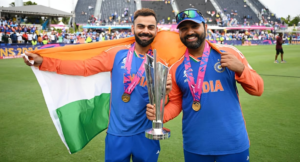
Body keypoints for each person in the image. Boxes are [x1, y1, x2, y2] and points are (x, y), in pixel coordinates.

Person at [23, 8, 172, 162]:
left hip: (147, 135)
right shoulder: (117, 54)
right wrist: (45, 62)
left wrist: (165, 94)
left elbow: (165, 103)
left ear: (156, 31)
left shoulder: (160, 63)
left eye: (150, 27)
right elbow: (84, 67)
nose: (145, 31)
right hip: (117, 135)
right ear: (133, 29)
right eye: (141, 26)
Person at [146, 8, 264, 162]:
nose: (190, 32)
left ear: (205, 27)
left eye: (195, 26)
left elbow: (258, 89)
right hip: (196, 146)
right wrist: (160, 114)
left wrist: (241, 70)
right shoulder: (176, 67)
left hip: (233, 144)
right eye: (184, 28)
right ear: (179, 33)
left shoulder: (228, 53)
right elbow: (176, 102)